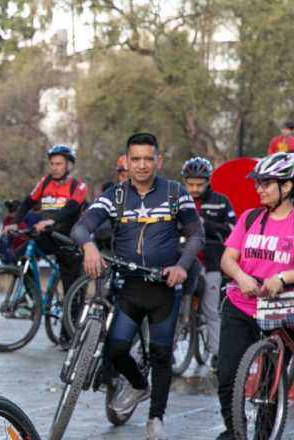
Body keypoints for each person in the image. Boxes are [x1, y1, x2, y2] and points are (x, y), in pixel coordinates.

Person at [71, 132, 204, 440]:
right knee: (116, 348)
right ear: (126, 162)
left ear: (158, 160)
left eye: (148, 159)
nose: (142, 165)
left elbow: (196, 234)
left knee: (160, 354)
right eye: (136, 159)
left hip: (164, 288)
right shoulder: (115, 196)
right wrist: (89, 246)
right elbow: (82, 226)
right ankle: (138, 385)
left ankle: (156, 418)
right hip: (129, 286)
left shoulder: (175, 192)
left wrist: (182, 267)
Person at [214, 153, 294, 440]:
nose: (259, 188)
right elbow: (228, 258)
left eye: (266, 183)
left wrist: (282, 278)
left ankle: (262, 435)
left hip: (281, 309)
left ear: (287, 186)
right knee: (226, 376)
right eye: (258, 183)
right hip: (241, 304)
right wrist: (241, 277)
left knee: (271, 386)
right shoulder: (249, 218)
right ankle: (235, 431)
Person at [5, 144, 87, 324]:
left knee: (70, 288)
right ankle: (35, 299)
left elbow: (71, 208)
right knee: (18, 256)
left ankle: (69, 331)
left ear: (68, 166)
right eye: (52, 164)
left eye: (58, 164)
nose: (54, 167)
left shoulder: (78, 186)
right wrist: (15, 223)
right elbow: (27, 202)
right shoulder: (45, 182)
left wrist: (52, 221)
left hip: (67, 239)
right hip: (47, 235)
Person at [180, 157, 234, 369]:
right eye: (190, 184)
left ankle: (216, 353)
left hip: (211, 262)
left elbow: (232, 228)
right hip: (182, 260)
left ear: (208, 181)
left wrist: (206, 224)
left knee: (211, 309)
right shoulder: (177, 200)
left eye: (199, 184)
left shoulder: (221, 201)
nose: (194, 189)